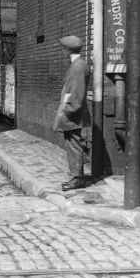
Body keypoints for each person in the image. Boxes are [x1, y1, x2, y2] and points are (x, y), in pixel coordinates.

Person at [52, 35, 90, 191]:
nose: (61, 51)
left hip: (73, 114)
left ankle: (77, 178)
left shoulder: (78, 67)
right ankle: (77, 175)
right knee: (73, 144)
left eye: (63, 49)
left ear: (68, 50)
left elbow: (76, 93)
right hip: (73, 112)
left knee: (74, 145)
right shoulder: (77, 65)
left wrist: (67, 111)